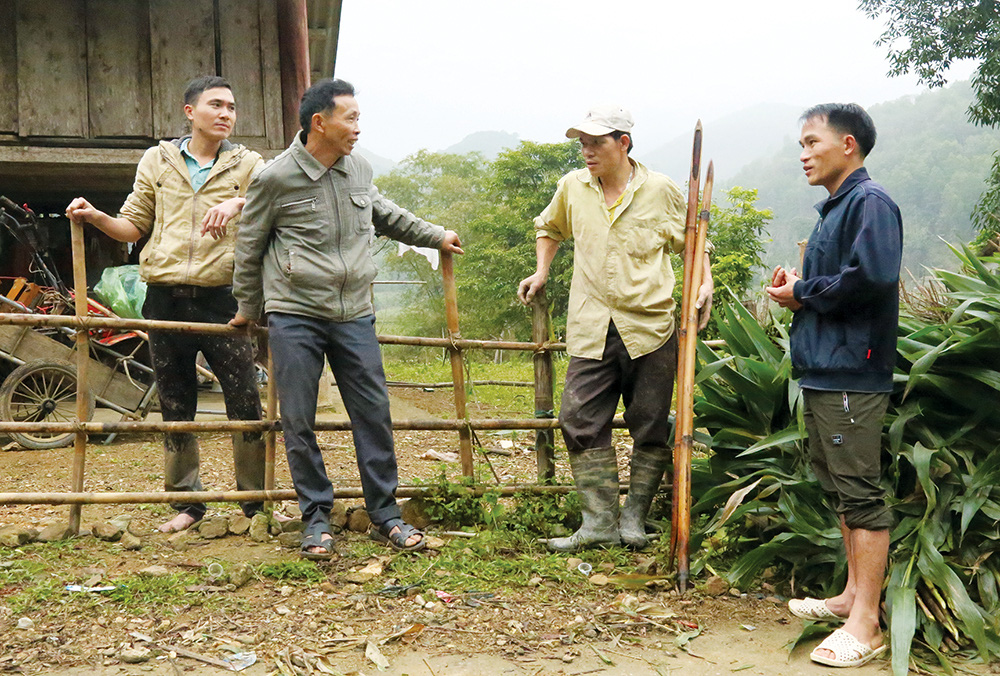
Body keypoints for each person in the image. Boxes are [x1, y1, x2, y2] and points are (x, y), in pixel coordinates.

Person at [231, 78, 464, 560]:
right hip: (295, 312)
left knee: (374, 413)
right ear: (320, 122)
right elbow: (250, 247)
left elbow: (385, 213)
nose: (358, 126)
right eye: (351, 117)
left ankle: (386, 515)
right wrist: (249, 311)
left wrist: (435, 235)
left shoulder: (357, 168)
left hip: (354, 312)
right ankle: (315, 518)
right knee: (298, 418)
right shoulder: (276, 177)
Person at [66, 75, 270, 533]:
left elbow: (275, 200)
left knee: (244, 399)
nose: (225, 114)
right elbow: (133, 225)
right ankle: (188, 503)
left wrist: (238, 205)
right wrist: (96, 216)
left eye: (231, 108)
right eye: (215, 105)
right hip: (164, 298)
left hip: (224, 299)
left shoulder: (248, 164)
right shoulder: (158, 161)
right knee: (176, 398)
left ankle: (255, 502)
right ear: (189, 111)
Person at [517, 104, 713, 552]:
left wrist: (705, 281)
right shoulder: (572, 187)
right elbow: (549, 227)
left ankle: (633, 521)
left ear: (623, 143)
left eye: (596, 143)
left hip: (651, 324)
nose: (586, 151)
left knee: (650, 423)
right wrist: (541, 270)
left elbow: (694, 242)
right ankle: (599, 523)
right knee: (578, 418)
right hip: (591, 323)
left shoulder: (660, 189)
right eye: (582, 143)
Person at [766, 103, 902, 668]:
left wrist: (804, 292)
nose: (803, 154)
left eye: (811, 142)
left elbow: (872, 277)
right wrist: (800, 285)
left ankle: (866, 624)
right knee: (841, 486)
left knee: (861, 491)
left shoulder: (871, 203)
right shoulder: (837, 208)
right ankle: (850, 595)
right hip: (826, 370)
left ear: (848, 144)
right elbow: (838, 281)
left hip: (852, 372)